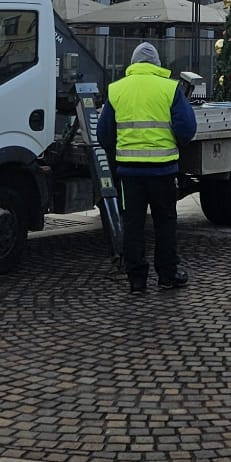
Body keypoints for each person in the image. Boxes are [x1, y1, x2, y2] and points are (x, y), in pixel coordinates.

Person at [96, 41, 196, 295]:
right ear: (157, 64)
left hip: (129, 174)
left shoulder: (117, 90)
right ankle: (167, 275)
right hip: (163, 172)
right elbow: (187, 129)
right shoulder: (170, 88)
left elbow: (103, 134)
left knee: (133, 225)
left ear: (133, 63)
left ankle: (137, 280)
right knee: (165, 222)